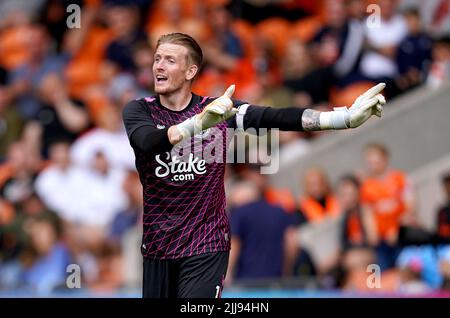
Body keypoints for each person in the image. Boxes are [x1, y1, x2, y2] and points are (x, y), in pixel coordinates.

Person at [122, 32, 386, 298]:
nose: (158, 65)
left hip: (207, 245)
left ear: (190, 71)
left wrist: (343, 118)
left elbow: (277, 117)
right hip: (159, 247)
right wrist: (197, 125)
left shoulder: (218, 110)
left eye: (169, 60)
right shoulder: (140, 110)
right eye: (157, 59)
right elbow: (147, 142)